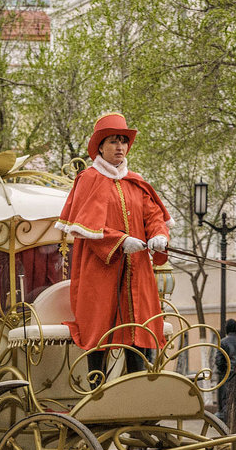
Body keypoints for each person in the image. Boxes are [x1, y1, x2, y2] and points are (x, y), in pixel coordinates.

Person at [56, 113, 172, 388]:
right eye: (113, 141)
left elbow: (153, 215)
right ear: (100, 146)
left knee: (140, 330)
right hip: (101, 273)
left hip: (137, 272)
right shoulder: (89, 178)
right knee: (101, 331)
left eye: (123, 141)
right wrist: (120, 241)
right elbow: (85, 226)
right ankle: (97, 394)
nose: (120, 146)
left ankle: (137, 394)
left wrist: (158, 234)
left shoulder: (135, 181)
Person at [212, 318, 236, 422]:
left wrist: (223, 371)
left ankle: (224, 419)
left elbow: (219, 361)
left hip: (227, 376)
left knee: (225, 400)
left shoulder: (223, 342)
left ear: (227, 329)